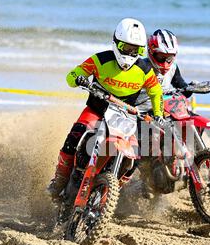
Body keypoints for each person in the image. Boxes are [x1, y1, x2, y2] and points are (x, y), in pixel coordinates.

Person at [47, 18, 165, 198]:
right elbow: (71, 76)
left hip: (125, 116)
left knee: (133, 158)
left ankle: (111, 192)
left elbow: (156, 92)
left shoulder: (145, 69)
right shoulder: (100, 60)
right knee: (74, 136)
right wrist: (79, 78)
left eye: (136, 49)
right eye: (127, 48)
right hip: (96, 109)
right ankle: (59, 180)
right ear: (116, 43)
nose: (131, 52)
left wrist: (158, 114)